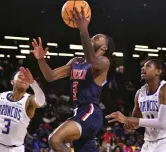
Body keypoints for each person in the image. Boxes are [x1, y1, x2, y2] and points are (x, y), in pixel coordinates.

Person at [31, 6, 115, 152]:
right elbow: (50, 76)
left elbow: (91, 59)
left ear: (105, 47)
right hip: (78, 111)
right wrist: (41, 60)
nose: (93, 37)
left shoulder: (104, 62)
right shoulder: (76, 62)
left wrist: (83, 29)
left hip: (90, 111)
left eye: (97, 38)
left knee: (55, 139)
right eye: (92, 36)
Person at [106, 59, 166, 152]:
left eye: (148, 66)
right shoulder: (140, 93)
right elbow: (136, 122)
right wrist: (130, 125)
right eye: (143, 66)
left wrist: (127, 118)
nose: (143, 68)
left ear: (158, 71)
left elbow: (161, 123)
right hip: (148, 142)